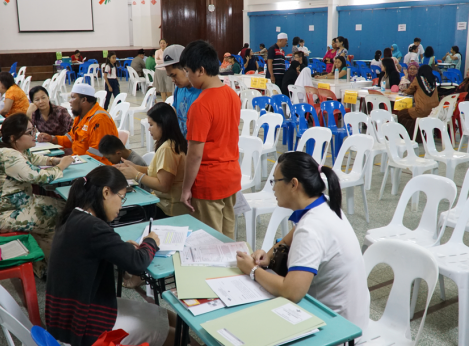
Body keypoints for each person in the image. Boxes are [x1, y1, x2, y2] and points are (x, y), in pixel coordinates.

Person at [236, 151, 369, 331]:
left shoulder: (311, 228)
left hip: (337, 328)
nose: (273, 188)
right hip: (352, 317)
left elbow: (292, 292)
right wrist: (268, 255)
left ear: (293, 184)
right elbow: (294, 232)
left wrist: (252, 270)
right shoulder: (323, 203)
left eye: (275, 181)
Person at [46, 166, 176, 346]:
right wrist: (151, 241)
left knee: (168, 316)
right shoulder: (94, 227)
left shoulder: (74, 216)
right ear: (106, 192)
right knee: (172, 334)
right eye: (121, 198)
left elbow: (91, 250)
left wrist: (120, 248)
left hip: (68, 315)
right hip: (83, 326)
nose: (122, 205)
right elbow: (138, 263)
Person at [0, 113, 74, 277]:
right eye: (30, 132)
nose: (35, 135)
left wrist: (52, 161)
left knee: (63, 207)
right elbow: (38, 176)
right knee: (60, 216)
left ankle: (42, 262)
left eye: (34, 130)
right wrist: (61, 166)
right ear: (14, 138)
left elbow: (33, 158)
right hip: (6, 214)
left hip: (18, 205)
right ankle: (52, 270)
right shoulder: (8, 155)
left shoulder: (15, 150)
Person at [179, 40, 241, 239]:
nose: (187, 76)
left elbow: (195, 154)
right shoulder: (232, 95)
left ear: (201, 70)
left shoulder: (200, 105)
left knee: (211, 242)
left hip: (209, 182)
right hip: (231, 176)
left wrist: (186, 188)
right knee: (227, 238)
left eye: (188, 71)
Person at [115, 103, 189, 218]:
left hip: (168, 209)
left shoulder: (168, 148)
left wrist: (136, 175)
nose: (148, 129)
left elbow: (164, 185)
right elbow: (155, 171)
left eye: (151, 124)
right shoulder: (170, 143)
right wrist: (133, 167)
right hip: (164, 203)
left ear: (163, 124)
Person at [37, 83, 118, 165]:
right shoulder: (80, 116)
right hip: (81, 161)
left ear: (84, 100)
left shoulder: (100, 119)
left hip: (98, 166)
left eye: (73, 97)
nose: (70, 101)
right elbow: (71, 139)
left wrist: (74, 162)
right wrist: (52, 139)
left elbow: (96, 154)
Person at [158, 44, 202, 137]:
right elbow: (176, 111)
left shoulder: (202, 92)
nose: (173, 80)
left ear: (186, 68)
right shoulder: (179, 89)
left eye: (174, 75)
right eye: (170, 76)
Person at [398, 65, 439, 141]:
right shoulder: (433, 81)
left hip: (422, 110)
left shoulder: (418, 79)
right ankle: (419, 135)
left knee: (401, 114)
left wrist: (404, 91)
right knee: (411, 117)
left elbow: (410, 90)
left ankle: (413, 136)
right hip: (434, 111)